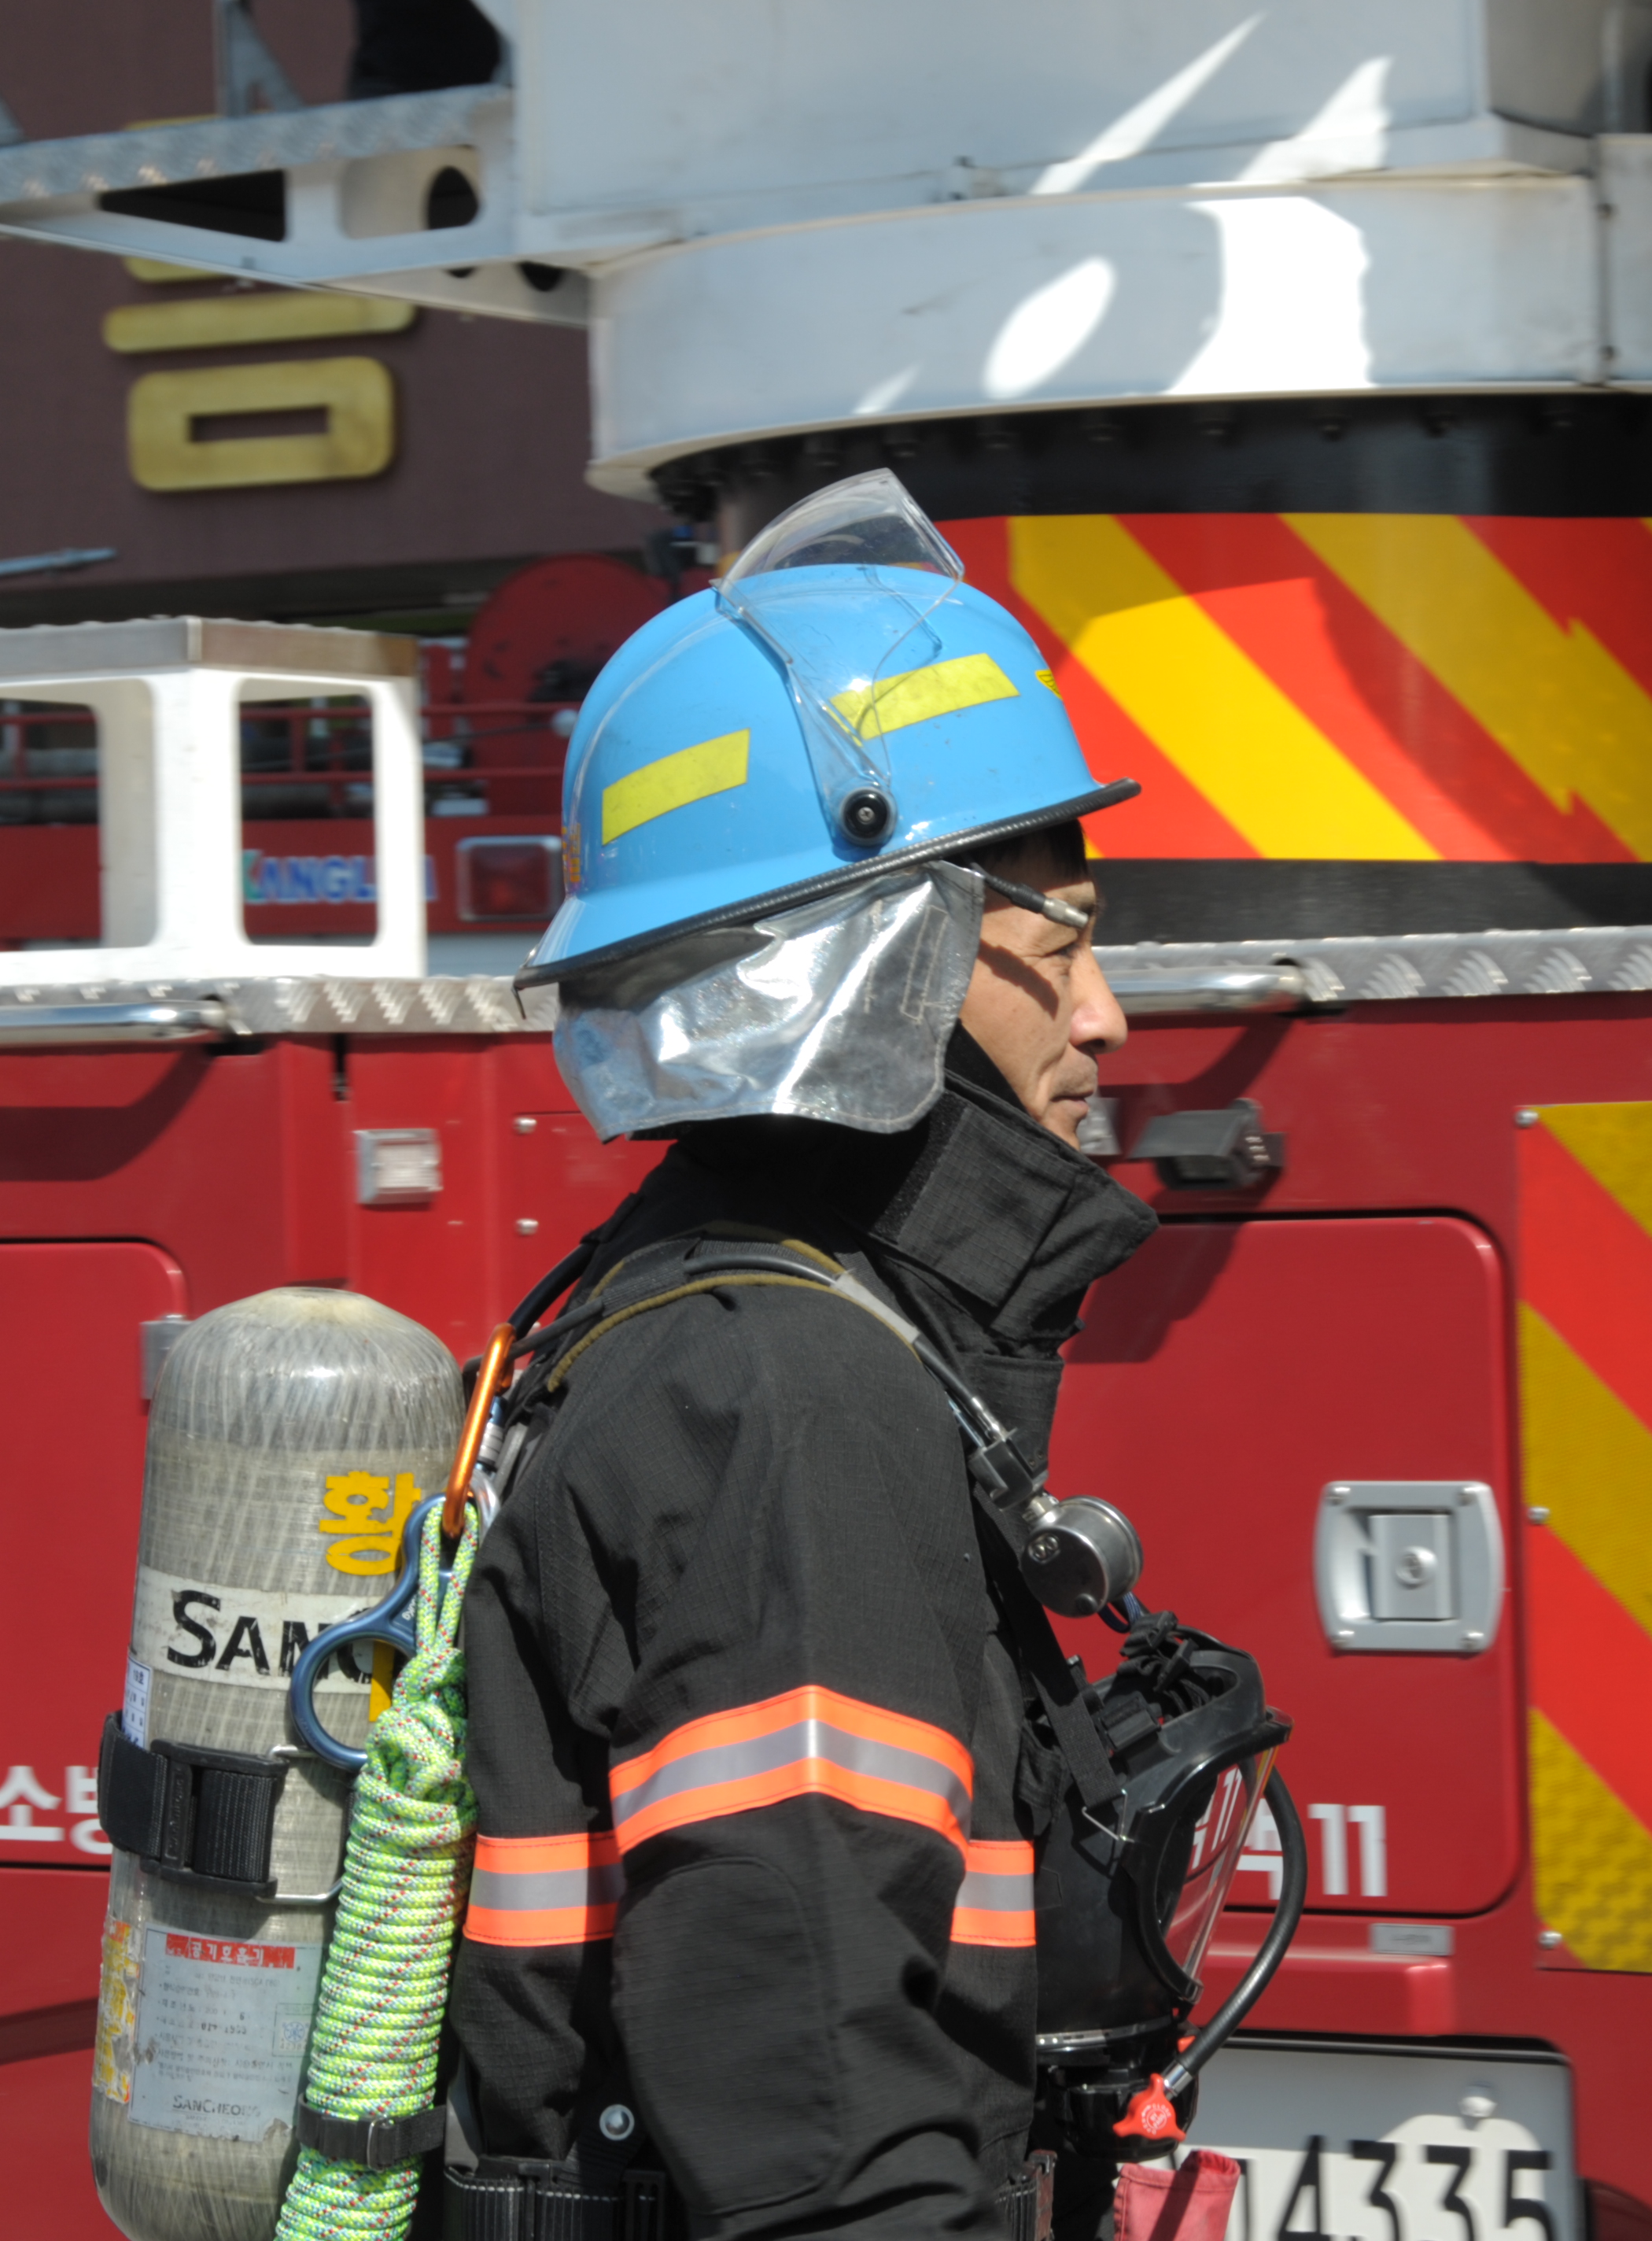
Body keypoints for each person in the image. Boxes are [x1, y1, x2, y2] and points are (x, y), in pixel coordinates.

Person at [448, 474, 1154, 2241]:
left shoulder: (684, 1313)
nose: (1103, 1016)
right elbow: (821, 2129)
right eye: (1054, 946)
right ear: (873, 962)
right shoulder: (784, 1395)